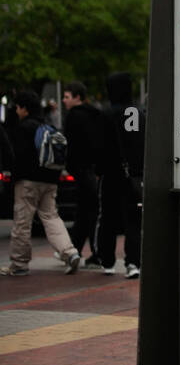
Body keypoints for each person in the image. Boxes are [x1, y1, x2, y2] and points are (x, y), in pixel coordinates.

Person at [0, 90, 80, 276]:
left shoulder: (23, 128)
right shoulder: (47, 126)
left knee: (22, 221)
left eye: (18, 107)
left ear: (24, 108)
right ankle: (69, 252)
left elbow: (16, 156)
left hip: (28, 181)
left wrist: (12, 177)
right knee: (51, 217)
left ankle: (19, 264)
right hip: (50, 180)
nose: (17, 111)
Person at [94, 73, 144, 278]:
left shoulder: (107, 114)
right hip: (133, 176)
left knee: (108, 218)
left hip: (111, 174)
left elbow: (101, 146)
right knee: (133, 220)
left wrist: (99, 170)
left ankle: (107, 262)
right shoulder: (138, 112)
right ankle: (133, 262)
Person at [62, 81, 109, 267]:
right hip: (93, 169)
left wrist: (70, 165)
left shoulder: (73, 117)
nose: (64, 100)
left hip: (81, 169)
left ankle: (93, 252)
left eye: (67, 96)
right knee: (86, 210)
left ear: (77, 97)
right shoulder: (96, 114)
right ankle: (76, 248)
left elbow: (72, 146)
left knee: (87, 211)